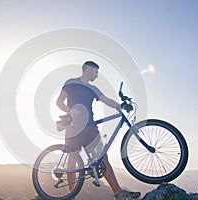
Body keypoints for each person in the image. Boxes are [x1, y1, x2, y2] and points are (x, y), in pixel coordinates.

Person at [55, 61, 141, 200]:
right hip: (74, 128)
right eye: (96, 72)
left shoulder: (92, 88)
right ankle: (71, 197)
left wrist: (120, 106)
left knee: (103, 158)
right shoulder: (71, 83)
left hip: (90, 128)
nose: (97, 75)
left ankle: (118, 193)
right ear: (88, 69)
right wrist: (70, 111)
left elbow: (106, 100)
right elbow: (59, 102)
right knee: (72, 161)